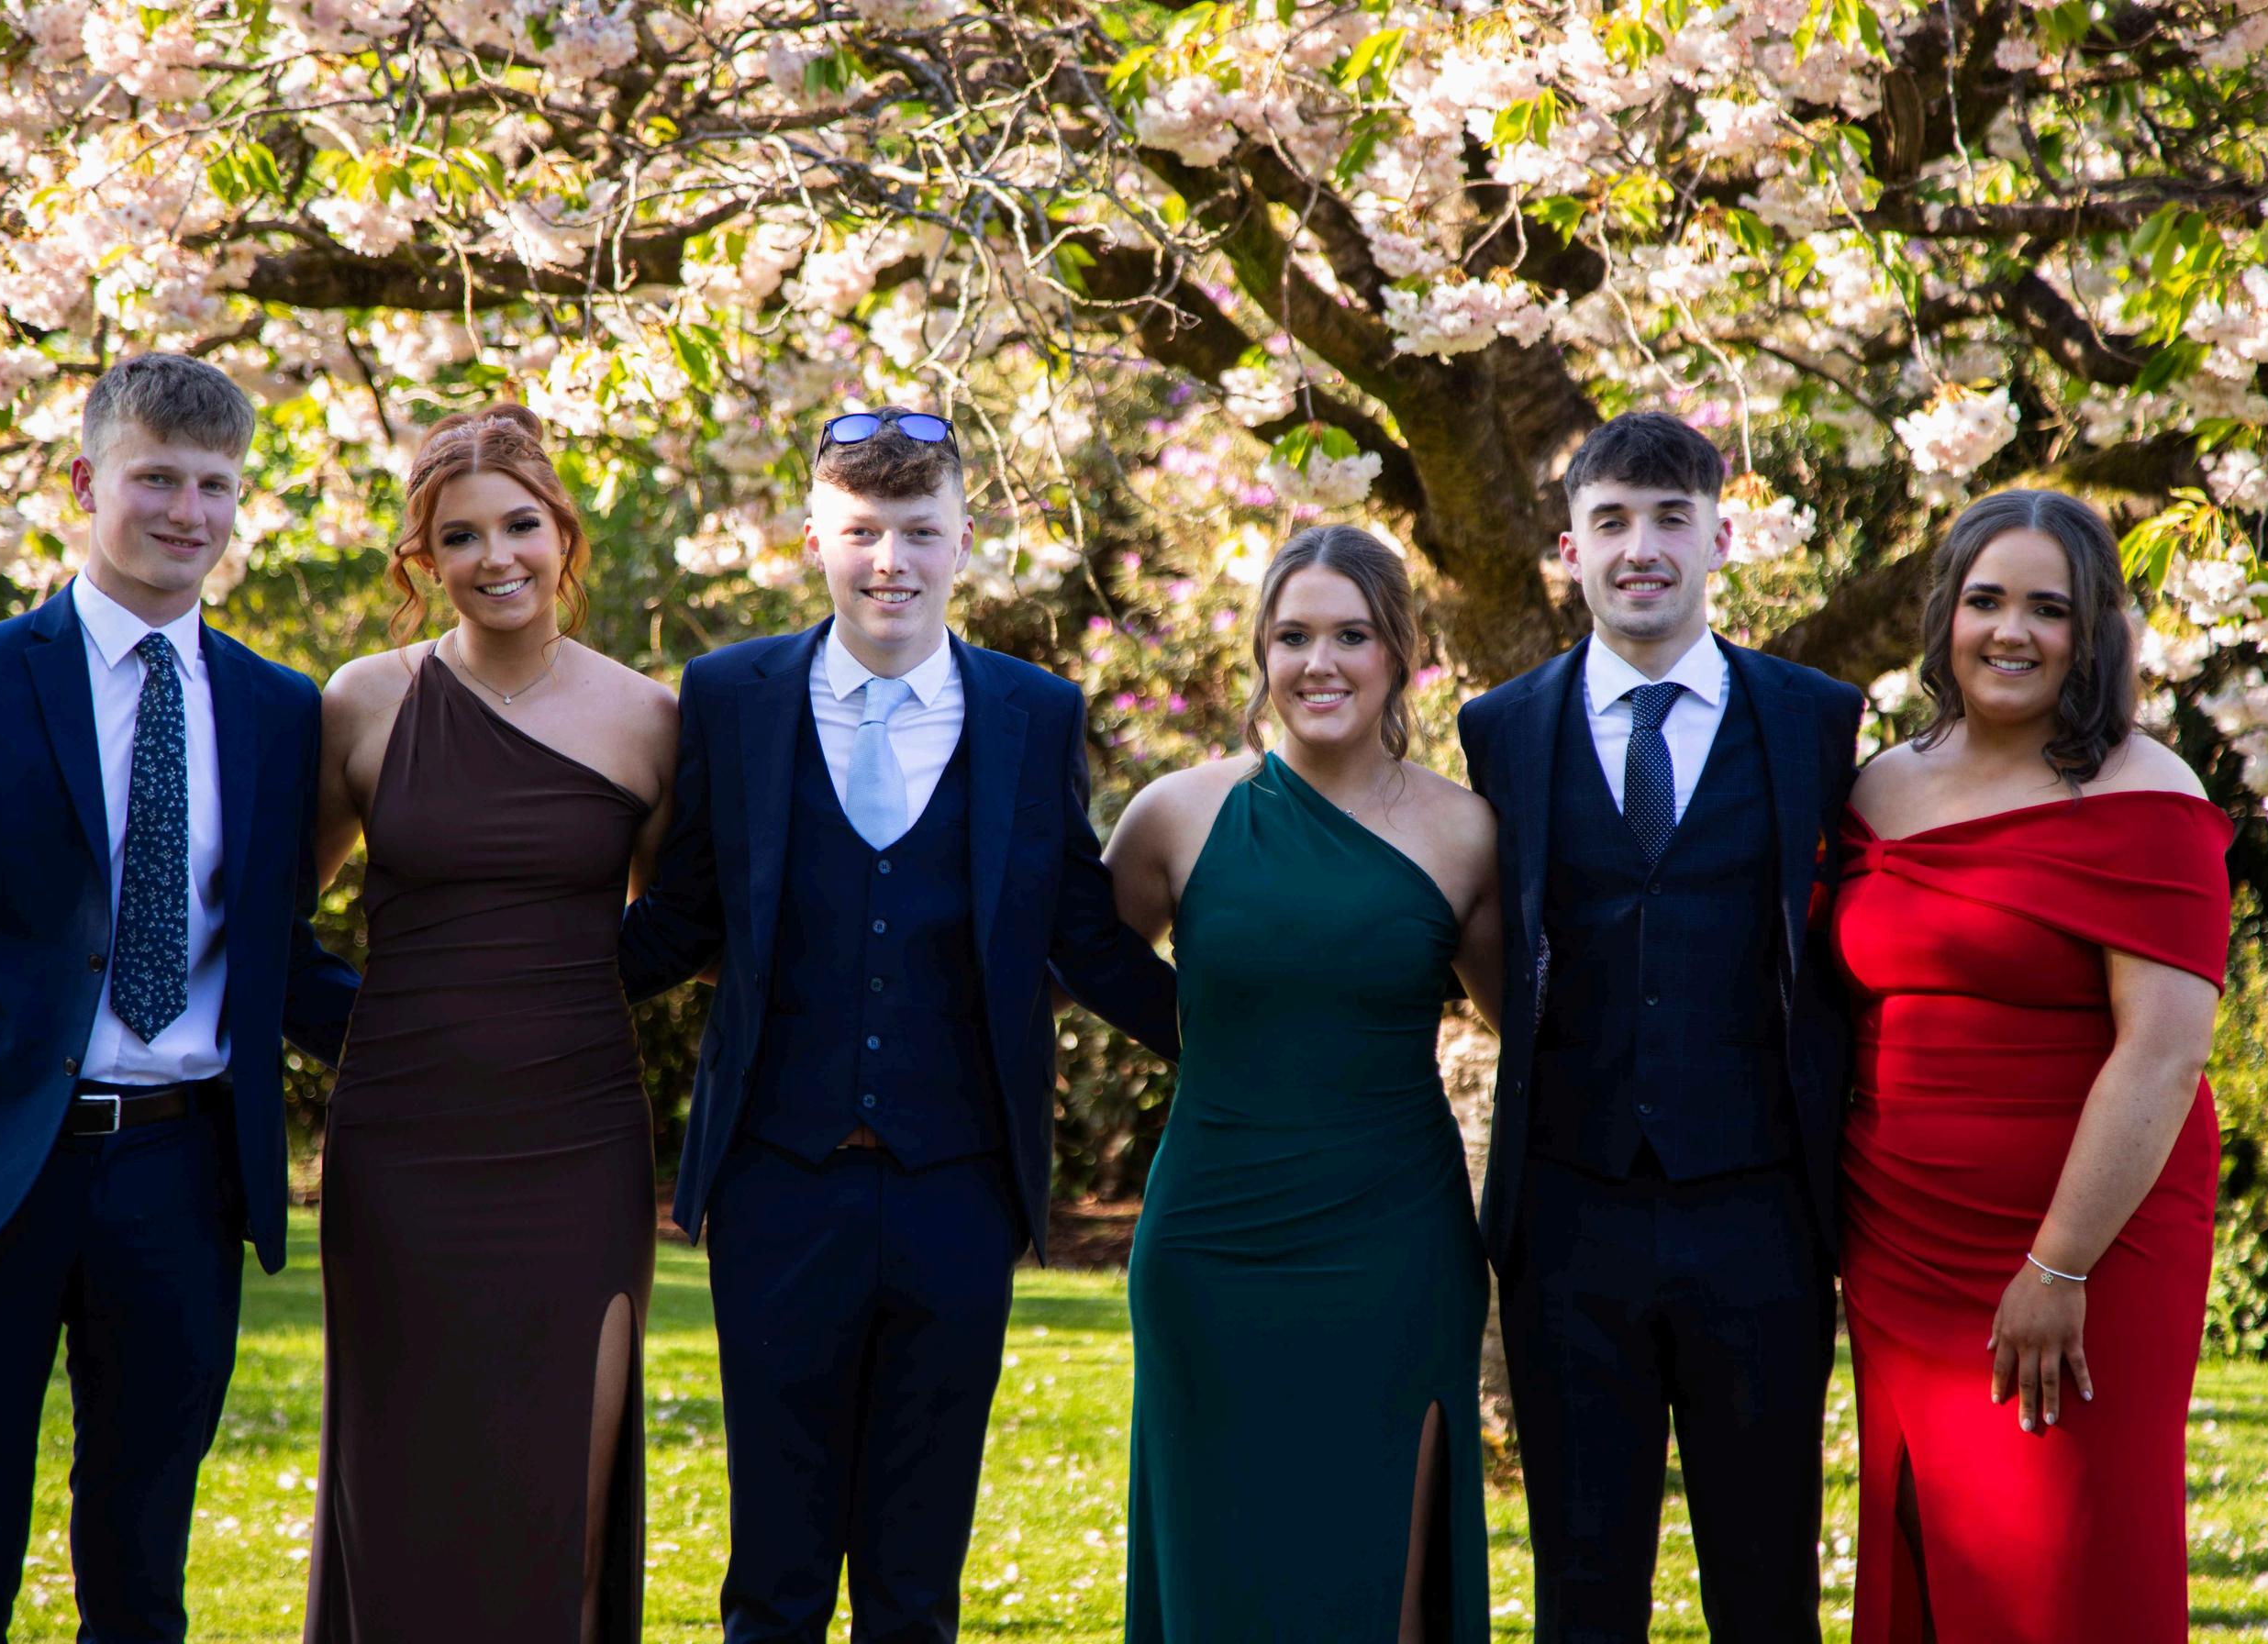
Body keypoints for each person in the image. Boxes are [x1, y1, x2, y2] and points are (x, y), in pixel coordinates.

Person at [616, 405, 1181, 1643]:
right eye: (863, 529)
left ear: (963, 541)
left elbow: (1084, 938)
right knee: (774, 1575)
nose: (891, 561)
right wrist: (510, 989)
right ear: (812, 537)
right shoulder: (730, 696)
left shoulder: (1036, 711)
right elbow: (681, 920)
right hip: (776, 1182)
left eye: (920, 531)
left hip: (958, 1190)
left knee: (918, 1585)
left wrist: (1250, 1041)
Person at [0, 353, 362, 1643]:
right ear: (88, 483)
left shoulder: (278, 709)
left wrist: (470, 1033)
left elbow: (278, 956)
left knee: (144, 1576)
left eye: (215, 486)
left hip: (182, 1180)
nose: (188, 513)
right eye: (157, 480)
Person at [1458, 411, 1863, 1642]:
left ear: (1720, 539)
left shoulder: (1814, 717)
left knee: (1766, 1585)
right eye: (1612, 521)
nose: (1642, 547)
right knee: (1584, 1590)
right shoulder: (1500, 728)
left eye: (1671, 519)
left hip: (1761, 1212)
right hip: (1567, 1216)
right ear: (1570, 551)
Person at [304, 405, 677, 1644]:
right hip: (400, 1152)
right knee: (400, 1496)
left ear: (563, 532)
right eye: (459, 536)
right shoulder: (366, 702)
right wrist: (382, 1032)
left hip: (577, 1145)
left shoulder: (649, 718)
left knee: (562, 1500)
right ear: (422, 559)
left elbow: (679, 931)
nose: (495, 556)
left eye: (519, 524)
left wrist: (550, 1011)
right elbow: (268, 926)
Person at [1832, 489, 2229, 1643]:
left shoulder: (2148, 795)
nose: (2011, 631)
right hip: (1901, 1236)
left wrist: (2058, 1266)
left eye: (2048, 609)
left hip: (2090, 1242)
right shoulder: (1877, 784)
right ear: (1946, 617)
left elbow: (2163, 1052)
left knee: (2069, 1551)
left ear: (2093, 631)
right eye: (1986, 600)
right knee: (1933, 1536)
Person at [1104, 527, 1502, 1643]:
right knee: (1222, 1577)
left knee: (1384, 1579)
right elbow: (1060, 976)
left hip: (1396, 1245)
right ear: (1261, 654)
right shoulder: (1175, 814)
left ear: (1399, 653)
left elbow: (1536, 1028)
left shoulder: (1466, 831)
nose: (1319, 663)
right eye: (1292, 637)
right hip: (1212, 1247)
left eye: (1351, 635)